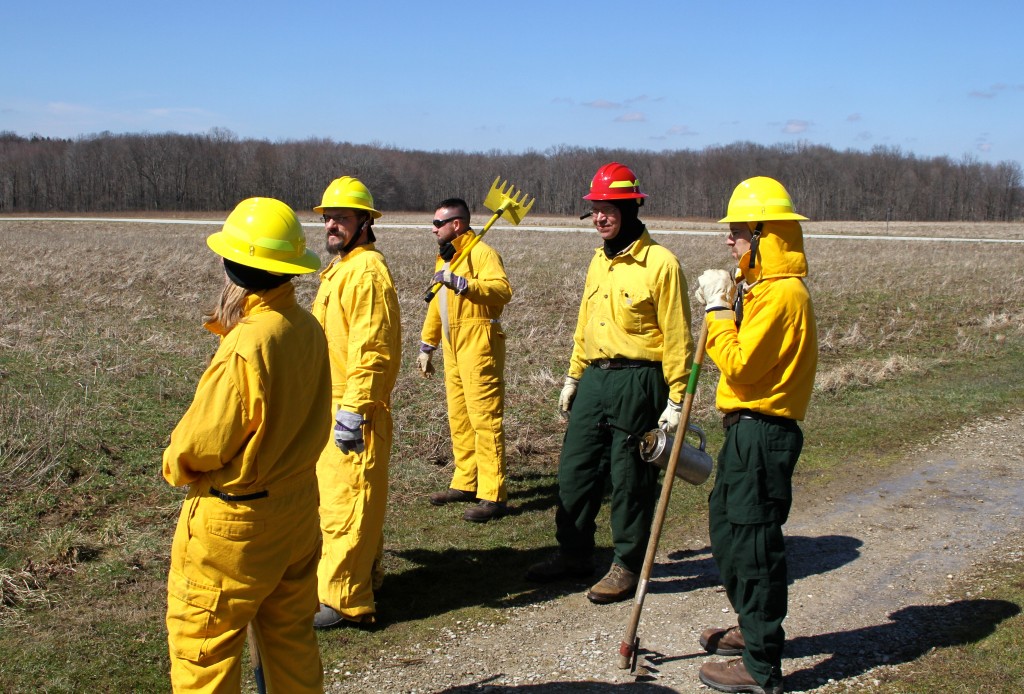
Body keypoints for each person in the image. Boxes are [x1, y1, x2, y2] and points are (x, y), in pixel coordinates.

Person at [163, 197, 329, 692]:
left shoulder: (248, 344)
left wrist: (174, 464)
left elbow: (200, 446)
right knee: (291, 641)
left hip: (236, 526)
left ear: (231, 262)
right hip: (298, 512)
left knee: (204, 654)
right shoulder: (305, 326)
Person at [526, 162, 694, 603]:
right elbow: (586, 324)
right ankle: (574, 553)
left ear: (630, 208)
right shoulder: (598, 261)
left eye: (609, 208)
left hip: (640, 381)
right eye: (596, 209)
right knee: (575, 471)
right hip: (595, 378)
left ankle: (626, 564)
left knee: (629, 478)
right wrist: (573, 375)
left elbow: (678, 338)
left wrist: (678, 400)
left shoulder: (661, 264)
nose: (600, 217)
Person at [693, 176, 818, 694]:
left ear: (765, 235)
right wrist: (731, 301)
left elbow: (741, 364)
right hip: (745, 431)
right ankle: (750, 627)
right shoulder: (761, 289)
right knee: (728, 532)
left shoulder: (782, 295)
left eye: (739, 230)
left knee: (756, 545)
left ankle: (762, 667)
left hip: (764, 434)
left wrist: (718, 311)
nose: (730, 238)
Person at [311, 176, 402, 630]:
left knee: (349, 502)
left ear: (365, 222)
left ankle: (345, 599)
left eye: (341, 218)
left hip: (354, 410)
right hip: (332, 406)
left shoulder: (366, 273)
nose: (332, 225)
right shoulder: (342, 268)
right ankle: (364, 577)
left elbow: (372, 349)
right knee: (338, 500)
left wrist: (355, 409)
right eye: (327, 217)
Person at [417, 198, 513, 522]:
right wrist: (427, 344)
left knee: (484, 419)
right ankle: (466, 482)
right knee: (459, 418)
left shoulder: (482, 254)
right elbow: (437, 304)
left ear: (456, 224)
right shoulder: (446, 258)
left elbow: (502, 291)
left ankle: (493, 494)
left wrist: (464, 284)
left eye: (438, 223)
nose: (433, 229)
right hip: (451, 345)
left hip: (479, 342)